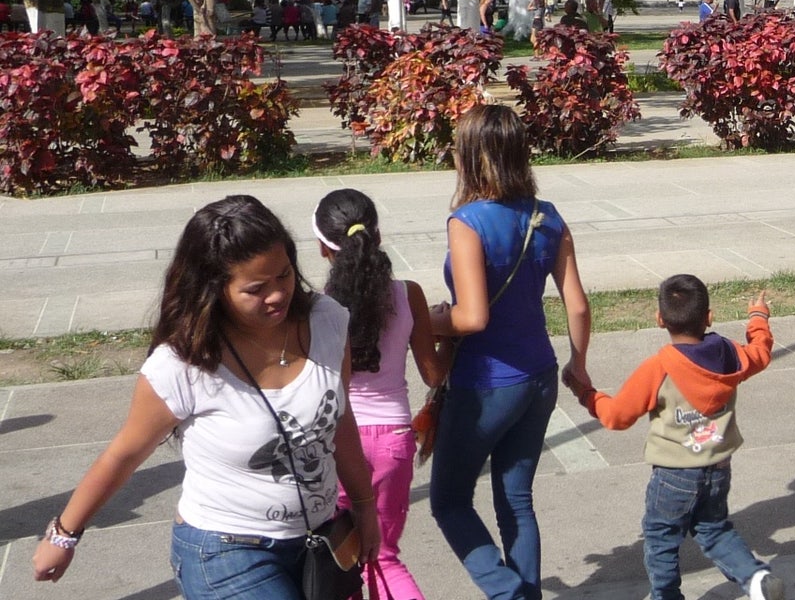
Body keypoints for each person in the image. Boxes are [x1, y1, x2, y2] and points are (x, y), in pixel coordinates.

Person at [31, 195, 381, 596]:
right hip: (224, 550)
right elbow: (123, 454)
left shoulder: (328, 320)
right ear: (214, 288)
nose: (277, 294)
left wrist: (365, 505)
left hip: (318, 541)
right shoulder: (183, 363)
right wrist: (63, 535)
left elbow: (340, 421)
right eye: (256, 288)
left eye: (284, 275)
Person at [429, 104, 592, 600]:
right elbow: (578, 305)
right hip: (539, 375)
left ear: (471, 158)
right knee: (516, 500)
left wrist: (425, 319)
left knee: (450, 501)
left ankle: (509, 593)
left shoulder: (467, 222)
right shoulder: (548, 216)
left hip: (486, 384)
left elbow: (472, 317)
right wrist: (578, 364)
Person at [564, 276, 785, 600]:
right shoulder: (729, 354)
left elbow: (616, 416)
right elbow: (760, 353)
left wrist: (586, 393)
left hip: (674, 475)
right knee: (714, 528)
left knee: (661, 538)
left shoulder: (659, 367)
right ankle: (756, 579)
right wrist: (758, 318)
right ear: (709, 317)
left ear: (660, 319)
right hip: (718, 467)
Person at [316, 189, 448, 600]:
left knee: (341, 557)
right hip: (393, 440)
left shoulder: (320, 307)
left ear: (323, 247)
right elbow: (433, 374)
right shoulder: (409, 294)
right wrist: (448, 338)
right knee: (383, 556)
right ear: (377, 235)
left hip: (339, 441)